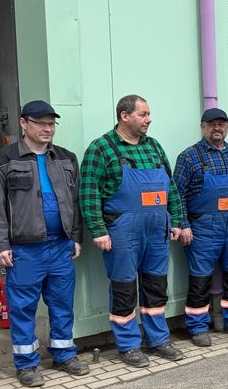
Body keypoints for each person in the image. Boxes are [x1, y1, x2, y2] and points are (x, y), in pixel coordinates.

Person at [80, 95, 187, 367]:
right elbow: (88, 193)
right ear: (124, 115)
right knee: (124, 288)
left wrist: (176, 220)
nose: (149, 119)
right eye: (143, 114)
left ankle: (158, 339)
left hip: (157, 231)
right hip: (122, 231)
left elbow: (171, 187)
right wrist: (98, 230)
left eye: (149, 114)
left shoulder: (154, 147)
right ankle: (128, 345)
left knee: (156, 286)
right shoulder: (101, 148)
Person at [0, 101, 86, 387]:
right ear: (23, 123)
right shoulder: (3, 159)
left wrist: (75, 236)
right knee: (23, 308)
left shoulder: (66, 158)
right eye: (40, 123)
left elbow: (74, 202)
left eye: (51, 123)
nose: (47, 128)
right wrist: (0, 244)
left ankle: (64, 355)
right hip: (24, 249)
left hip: (61, 245)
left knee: (62, 304)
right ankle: (27, 364)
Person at [172, 107, 228, 347]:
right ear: (202, 127)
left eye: (221, 124)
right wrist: (183, 224)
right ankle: (197, 326)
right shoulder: (189, 157)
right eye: (212, 124)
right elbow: (177, 195)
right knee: (200, 279)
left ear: (227, 127)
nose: (217, 128)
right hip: (203, 229)